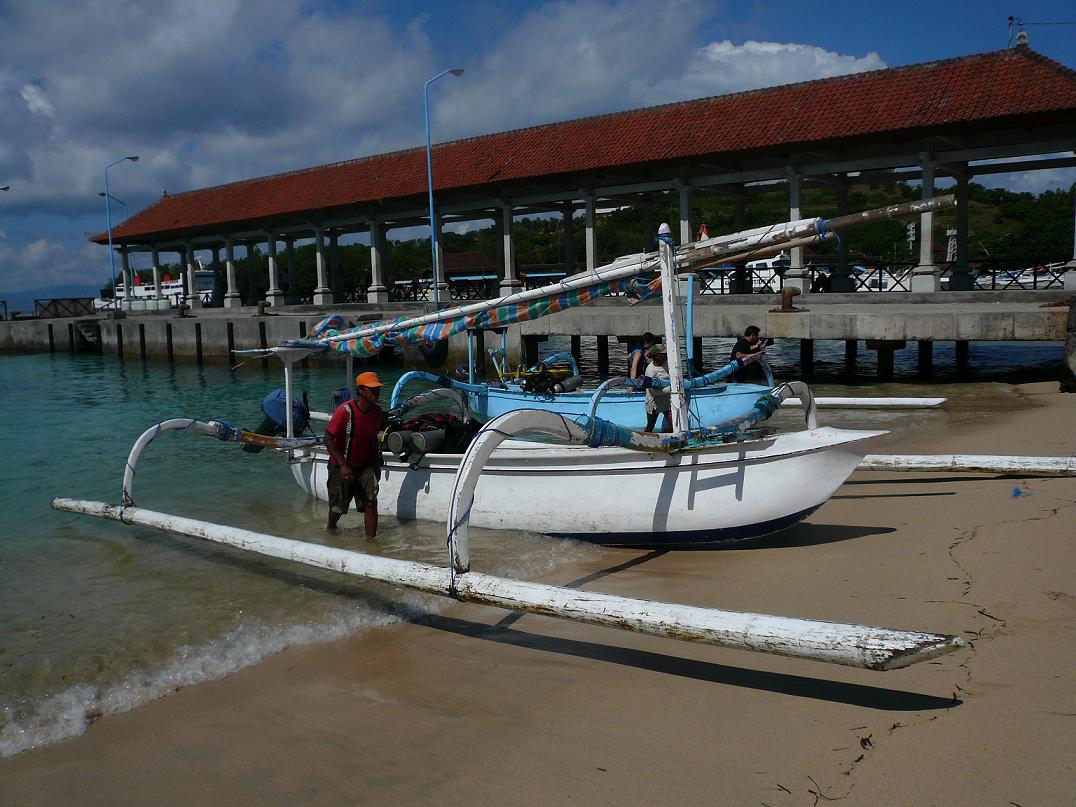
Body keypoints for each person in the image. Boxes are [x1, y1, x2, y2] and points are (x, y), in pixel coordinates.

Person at [324, 371, 384, 539]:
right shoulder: (344, 412)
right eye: (373, 389)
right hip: (342, 464)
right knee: (338, 507)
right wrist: (342, 464)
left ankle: (371, 541)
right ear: (361, 390)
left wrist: (376, 465)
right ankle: (331, 529)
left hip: (365, 465)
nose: (377, 393)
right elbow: (328, 438)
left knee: (371, 502)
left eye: (378, 389)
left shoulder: (377, 412)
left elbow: (372, 439)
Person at [643, 343, 672, 433]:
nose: (666, 355)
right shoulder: (650, 370)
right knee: (650, 426)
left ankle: (668, 438)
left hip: (666, 401)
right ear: (657, 356)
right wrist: (670, 389)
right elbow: (653, 391)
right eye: (664, 354)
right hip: (654, 402)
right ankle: (643, 439)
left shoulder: (666, 364)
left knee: (673, 425)